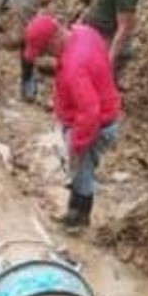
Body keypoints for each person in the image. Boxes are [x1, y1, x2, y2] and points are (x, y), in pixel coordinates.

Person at [23, 14, 121, 230]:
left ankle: (79, 217)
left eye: (45, 51)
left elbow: (90, 111)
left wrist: (77, 144)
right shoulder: (83, 32)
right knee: (81, 168)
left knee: (82, 170)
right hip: (106, 111)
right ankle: (76, 205)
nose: (45, 56)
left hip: (95, 124)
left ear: (54, 40)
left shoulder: (74, 67)